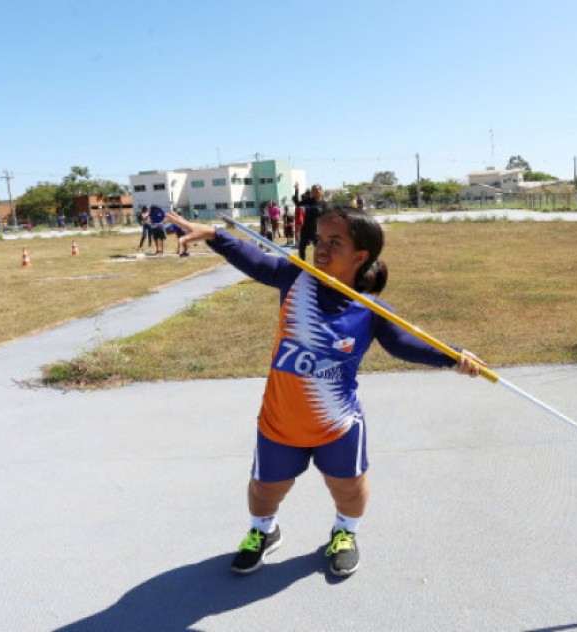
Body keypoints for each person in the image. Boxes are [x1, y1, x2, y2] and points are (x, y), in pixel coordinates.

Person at [165, 206, 483, 578]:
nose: (322, 248)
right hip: (280, 421)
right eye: (319, 239)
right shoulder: (294, 278)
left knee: (348, 488)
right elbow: (256, 260)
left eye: (336, 242)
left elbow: (404, 344)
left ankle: (344, 533)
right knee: (265, 490)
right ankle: (263, 531)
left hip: (338, 423)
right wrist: (215, 237)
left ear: (360, 256)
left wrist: (452, 356)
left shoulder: (372, 309)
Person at [294, 182, 326, 260]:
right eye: (313, 190)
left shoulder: (324, 204)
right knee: (301, 247)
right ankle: (302, 265)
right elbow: (297, 203)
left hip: (316, 230)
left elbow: (327, 217)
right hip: (305, 228)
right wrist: (296, 190)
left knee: (318, 248)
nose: (315, 191)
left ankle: (320, 264)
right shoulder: (308, 201)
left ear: (321, 191)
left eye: (317, 189)